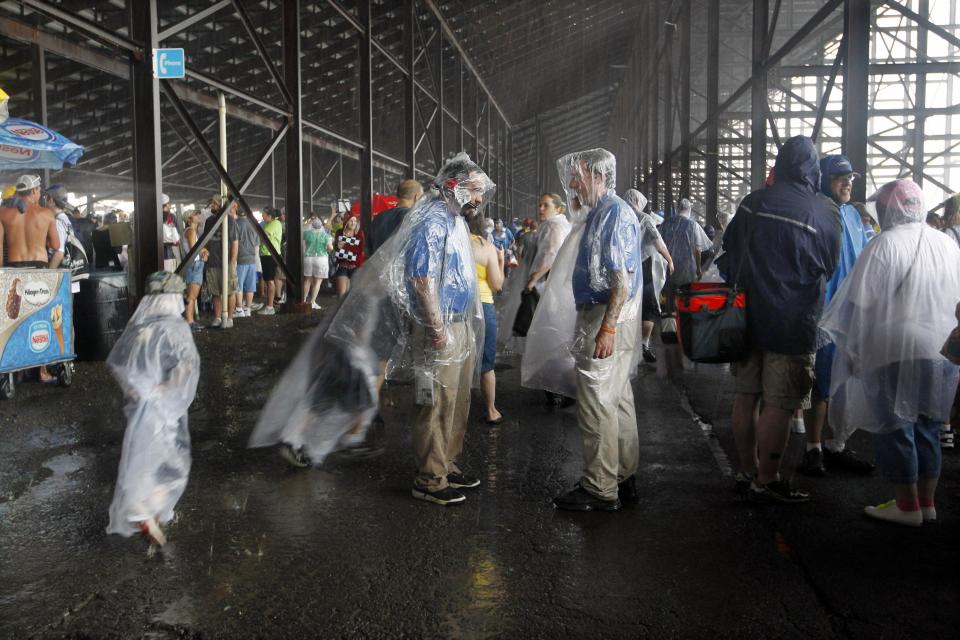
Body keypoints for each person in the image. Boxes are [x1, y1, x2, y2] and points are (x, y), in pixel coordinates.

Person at [250, 153, 493, 507]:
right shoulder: (430, 221)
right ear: (453, 187)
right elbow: (421, 277)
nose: (479, 199)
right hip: (431, 323)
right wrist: (437, 325)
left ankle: (445, 462)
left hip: (441, 319)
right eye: (474, 190)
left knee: (454, 400)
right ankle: (430, 476)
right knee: (433, 400)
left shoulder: (453, 223)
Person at [820, 179, 960, 526]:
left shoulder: (885, 244)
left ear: (888, 209)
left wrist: (852, 350)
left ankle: (906, 505)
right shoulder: (947, 244)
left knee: (895, 424)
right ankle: (927, 502)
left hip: (893, 350)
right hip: (941, 351)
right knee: (929, 423)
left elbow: (859, 303)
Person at [719, 135, 840, 503]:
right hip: (794, 321)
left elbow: (729, 250)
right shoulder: (822, 211)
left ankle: (744, 469)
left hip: (746, 317)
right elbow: (830, 265)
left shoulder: (754, 203)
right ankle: (768, 478)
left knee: (746, 394)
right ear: (813, 169)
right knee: (780, 404)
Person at [525, 149, 642, 512]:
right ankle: (622, 474)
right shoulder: (602, 213)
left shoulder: (613, 214)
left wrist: (606, 328)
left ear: (599, 176)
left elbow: (621, 280)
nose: (572, 185)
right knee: (617, 397)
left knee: (595, 403)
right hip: (609, 315)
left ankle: (599, 487)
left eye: (577, 177)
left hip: (606, 316)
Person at [106, 272, 200, 546]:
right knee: (167, 460)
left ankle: (145, 509)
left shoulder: (138, 327)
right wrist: (166, 390)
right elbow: (186, 366)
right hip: (162, 409)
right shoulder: (174, 327)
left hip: (140, 408)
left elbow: (118, 364)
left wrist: (135, 390)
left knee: (140, 456)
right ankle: (147, 511)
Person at [799, 155, 874, 477]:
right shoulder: (813, 211)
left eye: (850, 178)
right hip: (821, 311)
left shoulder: (854, 217)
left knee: (844, 382)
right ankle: (813, 447)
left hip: (850, 313)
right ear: (822, 180)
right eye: (839, 177)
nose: (847, 183)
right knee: (822, 384)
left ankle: (836, 444)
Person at [623, 188, 674, 364]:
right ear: (638, 202)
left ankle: (624, 344)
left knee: (626, 304)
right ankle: (643, 345)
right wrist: (669, 259)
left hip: (622, 268)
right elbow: (657, 241)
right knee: (649, 308)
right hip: (643, 268)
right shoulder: (645, 218)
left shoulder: (618, 215)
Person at [469, 210, 505, 424]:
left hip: (456, 305)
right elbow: (497, 284)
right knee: (486, 361)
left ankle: (456, 411)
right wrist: (500, 261)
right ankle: (491, 410)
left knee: (459, 359)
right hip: (482, 305)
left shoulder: (454, 240)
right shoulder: (486, 247)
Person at [658, 197, 712, 312]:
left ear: (678, 208)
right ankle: (682, 318)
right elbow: (698, 248)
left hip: (668, 265)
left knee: (669, 295)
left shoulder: (666, 223)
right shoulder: (692, 225)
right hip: (686, 268)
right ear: (689, 209)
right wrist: (698, 268)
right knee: (685, 295)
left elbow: (658, 244)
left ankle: (669, 320)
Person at [0, 174, 59, 269]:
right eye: (39, 190)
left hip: (15, 265)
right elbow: (55, 246)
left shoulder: (3, 213)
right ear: (34, 190)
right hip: (39, 265)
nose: (40, 194)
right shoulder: (47, 213)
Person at [203, 199, 239, 328]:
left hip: (226, 262)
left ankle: (230, 318)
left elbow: (235, 243)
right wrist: (205, 252)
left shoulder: (230, 220)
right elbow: (205, 241)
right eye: (212, 203)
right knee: (215, 291)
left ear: (221, 205)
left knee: (230, 291)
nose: (212, 205)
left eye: (215, 203)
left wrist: (232, 262)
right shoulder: (209, 221)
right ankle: (218, 317)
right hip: (212, 261)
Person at [368, 179, 423, 255]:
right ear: (416, 197)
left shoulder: (378, 218)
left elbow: (368, 249)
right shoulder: (413, 218)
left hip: (377, 265)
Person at [180, 209, 208, 331]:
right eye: (195, 215)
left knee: (191, 296)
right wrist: (204, 251)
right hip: (194, 265)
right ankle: (189, 321)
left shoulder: (191, 231)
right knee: (191, 296)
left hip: (194, 264)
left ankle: (189, 320)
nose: (198, 216)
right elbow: (194, 249)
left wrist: (203, 251)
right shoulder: (191, 231)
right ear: (189, 219)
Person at [232, 207, 260, 318]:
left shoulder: (235, 224)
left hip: (240, 259)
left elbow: (233, 243)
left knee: (238, 286)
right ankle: (248, 309)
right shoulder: (254, 225)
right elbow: (257, 245)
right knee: (250, 286)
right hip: (252, 259)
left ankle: (239, 310)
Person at [302, 213, 333, 309]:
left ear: (312, 225)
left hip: (308, 258)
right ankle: (312, 302)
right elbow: (330, 248)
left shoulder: (306, 234)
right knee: (318, 281)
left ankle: (303, 300)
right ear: (321, 226)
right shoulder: (326, 236)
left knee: (307, 280)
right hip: (321, 258)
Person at [257, 206, 282, 316]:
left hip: (269, 255)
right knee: (269, 280)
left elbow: (264, 235)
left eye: (263, 214)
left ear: (269, 215)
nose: (262, 216)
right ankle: (270, 304)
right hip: (267, 254)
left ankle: (270, 306)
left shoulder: (274, 224)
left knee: (270, 280)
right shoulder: (271, 223)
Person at [334, 214, 364, 297]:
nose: (353, 222)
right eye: (351, 220)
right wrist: (352, 245)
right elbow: (337, 250)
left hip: (355, 267)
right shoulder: (340, 232)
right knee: (341, 296)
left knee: (352, 296)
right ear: (346, 221)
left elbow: (360, 250)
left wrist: (345, 245)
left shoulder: (359, 233)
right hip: (342, 266)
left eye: (355, 221)